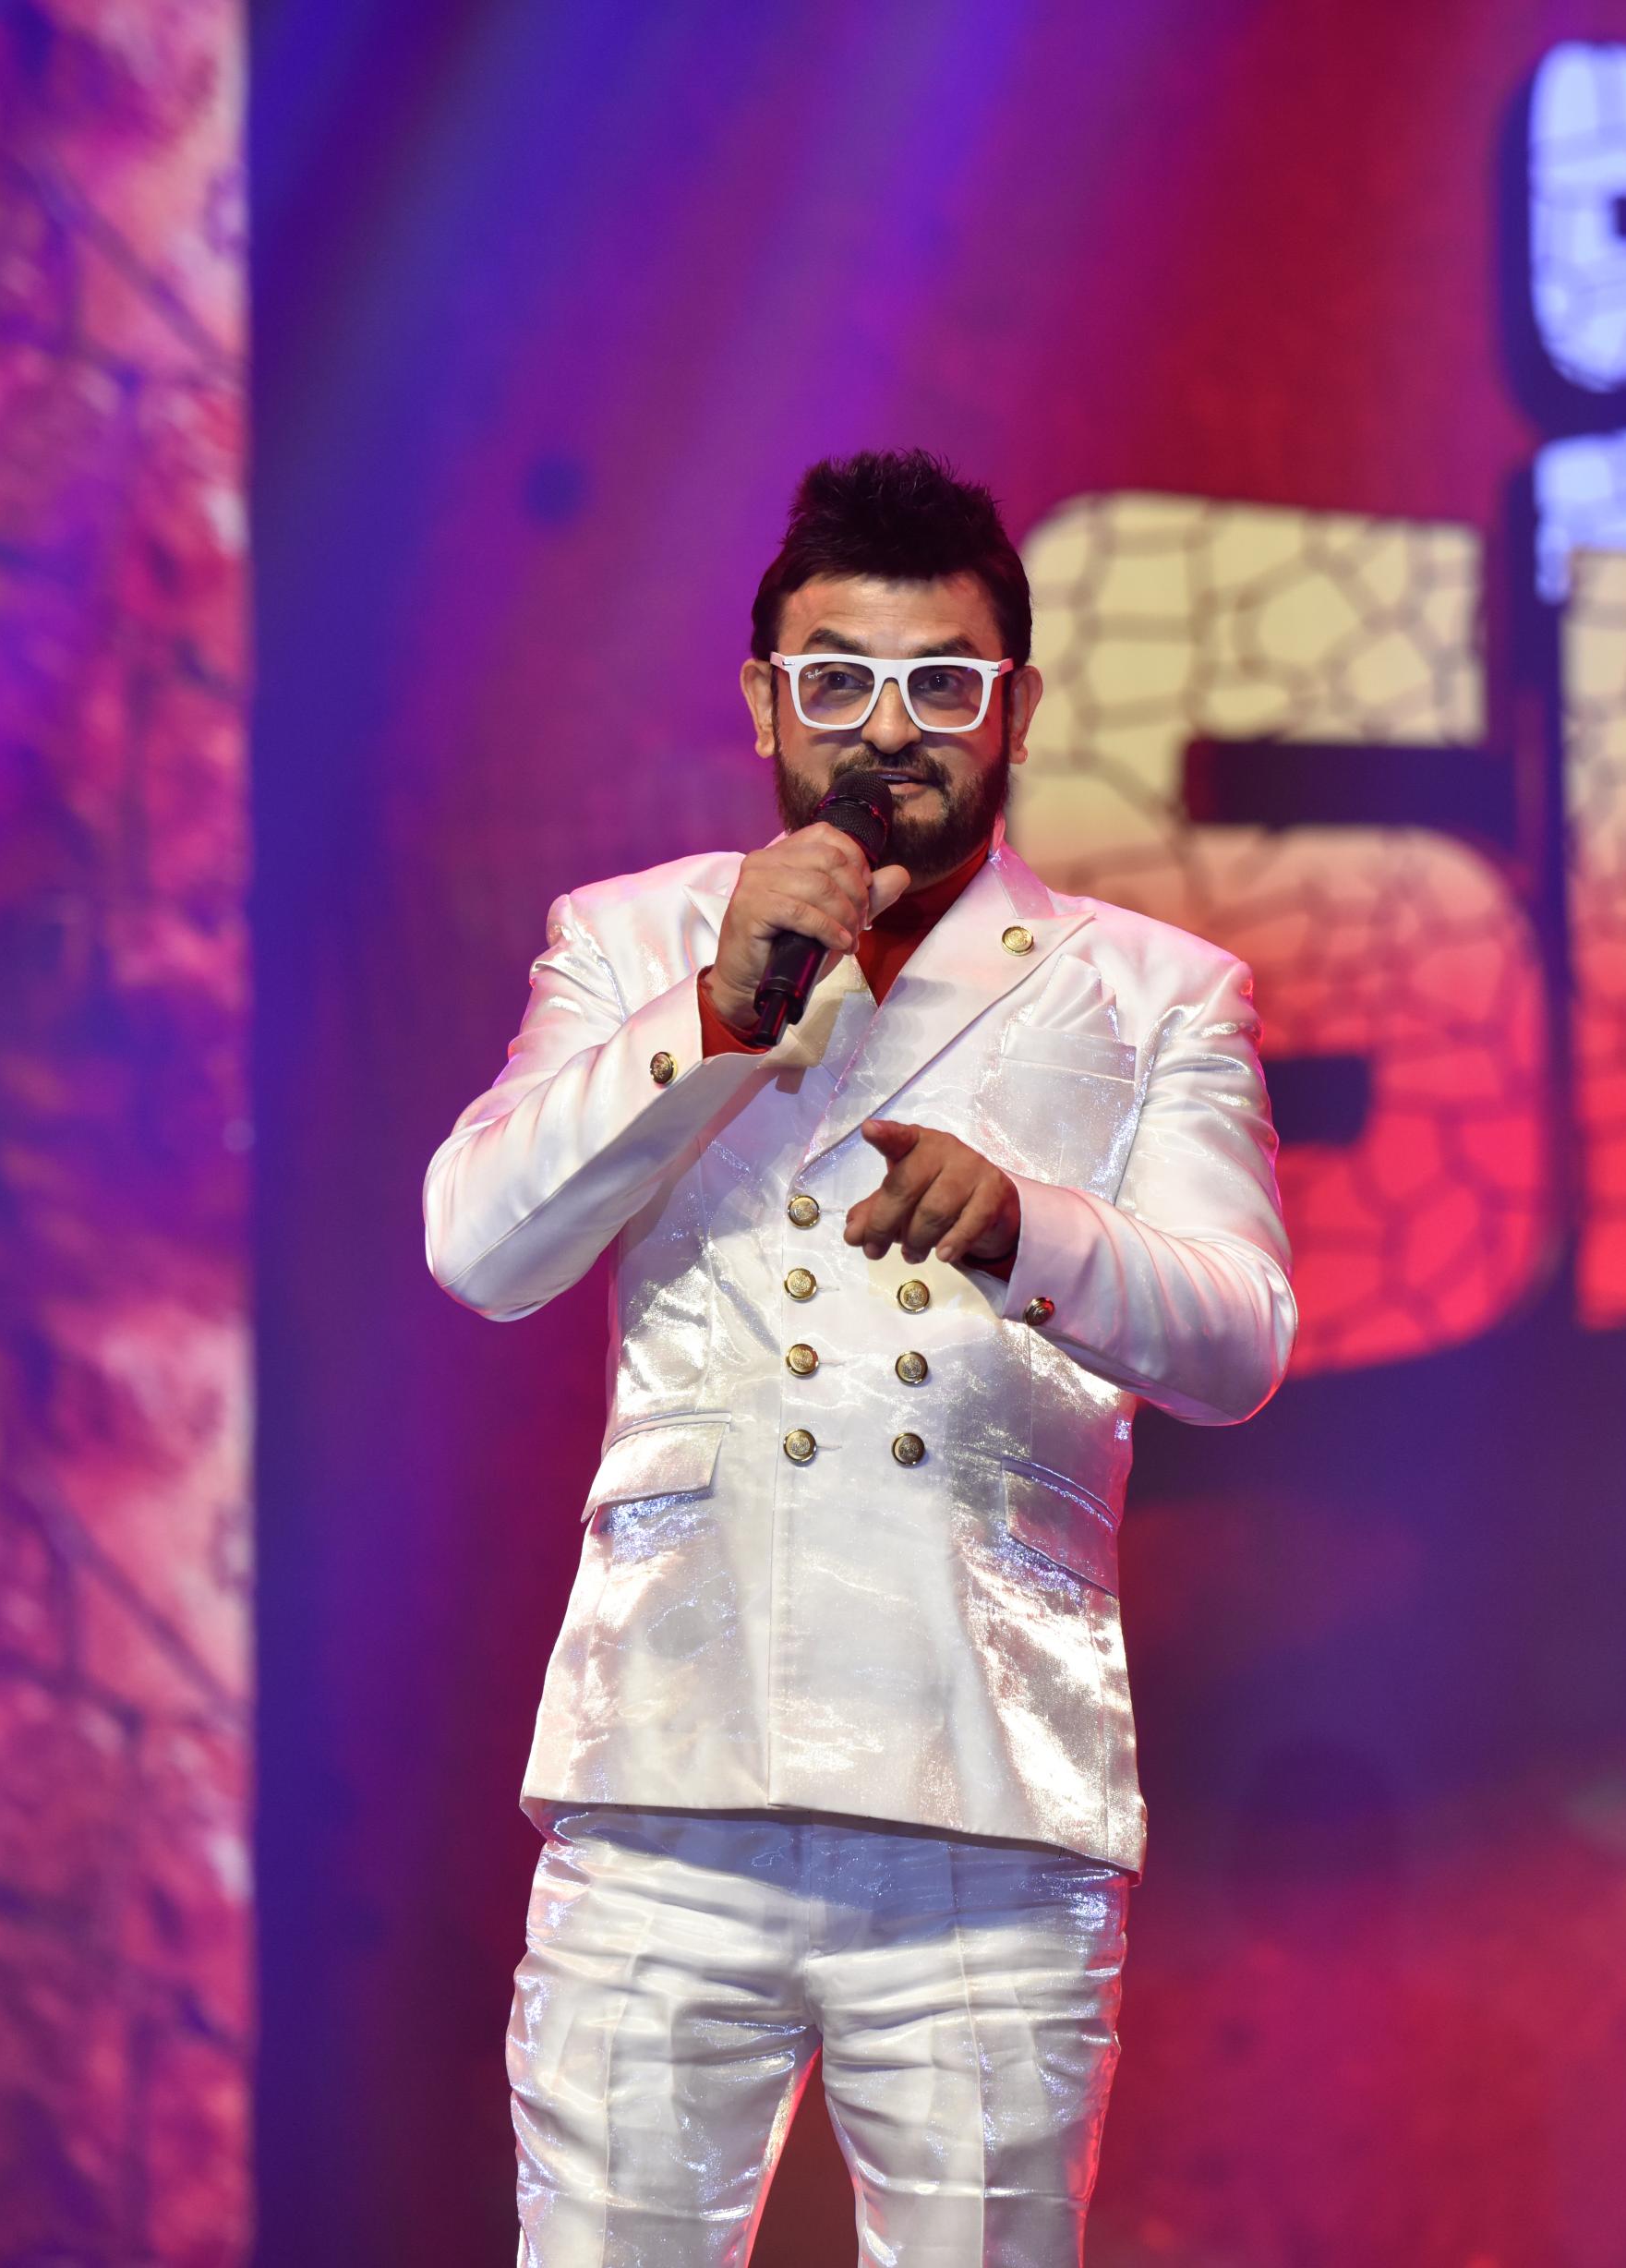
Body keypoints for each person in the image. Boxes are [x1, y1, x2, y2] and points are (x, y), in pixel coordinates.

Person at [426, 448, 1295, 2267]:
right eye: (836, 680)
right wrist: (721, 1007)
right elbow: (481, 1246)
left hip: (987, 1785)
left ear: (1017, 711)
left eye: (941, 685)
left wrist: (1030, 1227)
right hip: (667, 1767)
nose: (886, 729)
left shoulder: (1152, 989)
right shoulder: (635, 939)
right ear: (765, 701)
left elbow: (1238, 1338)